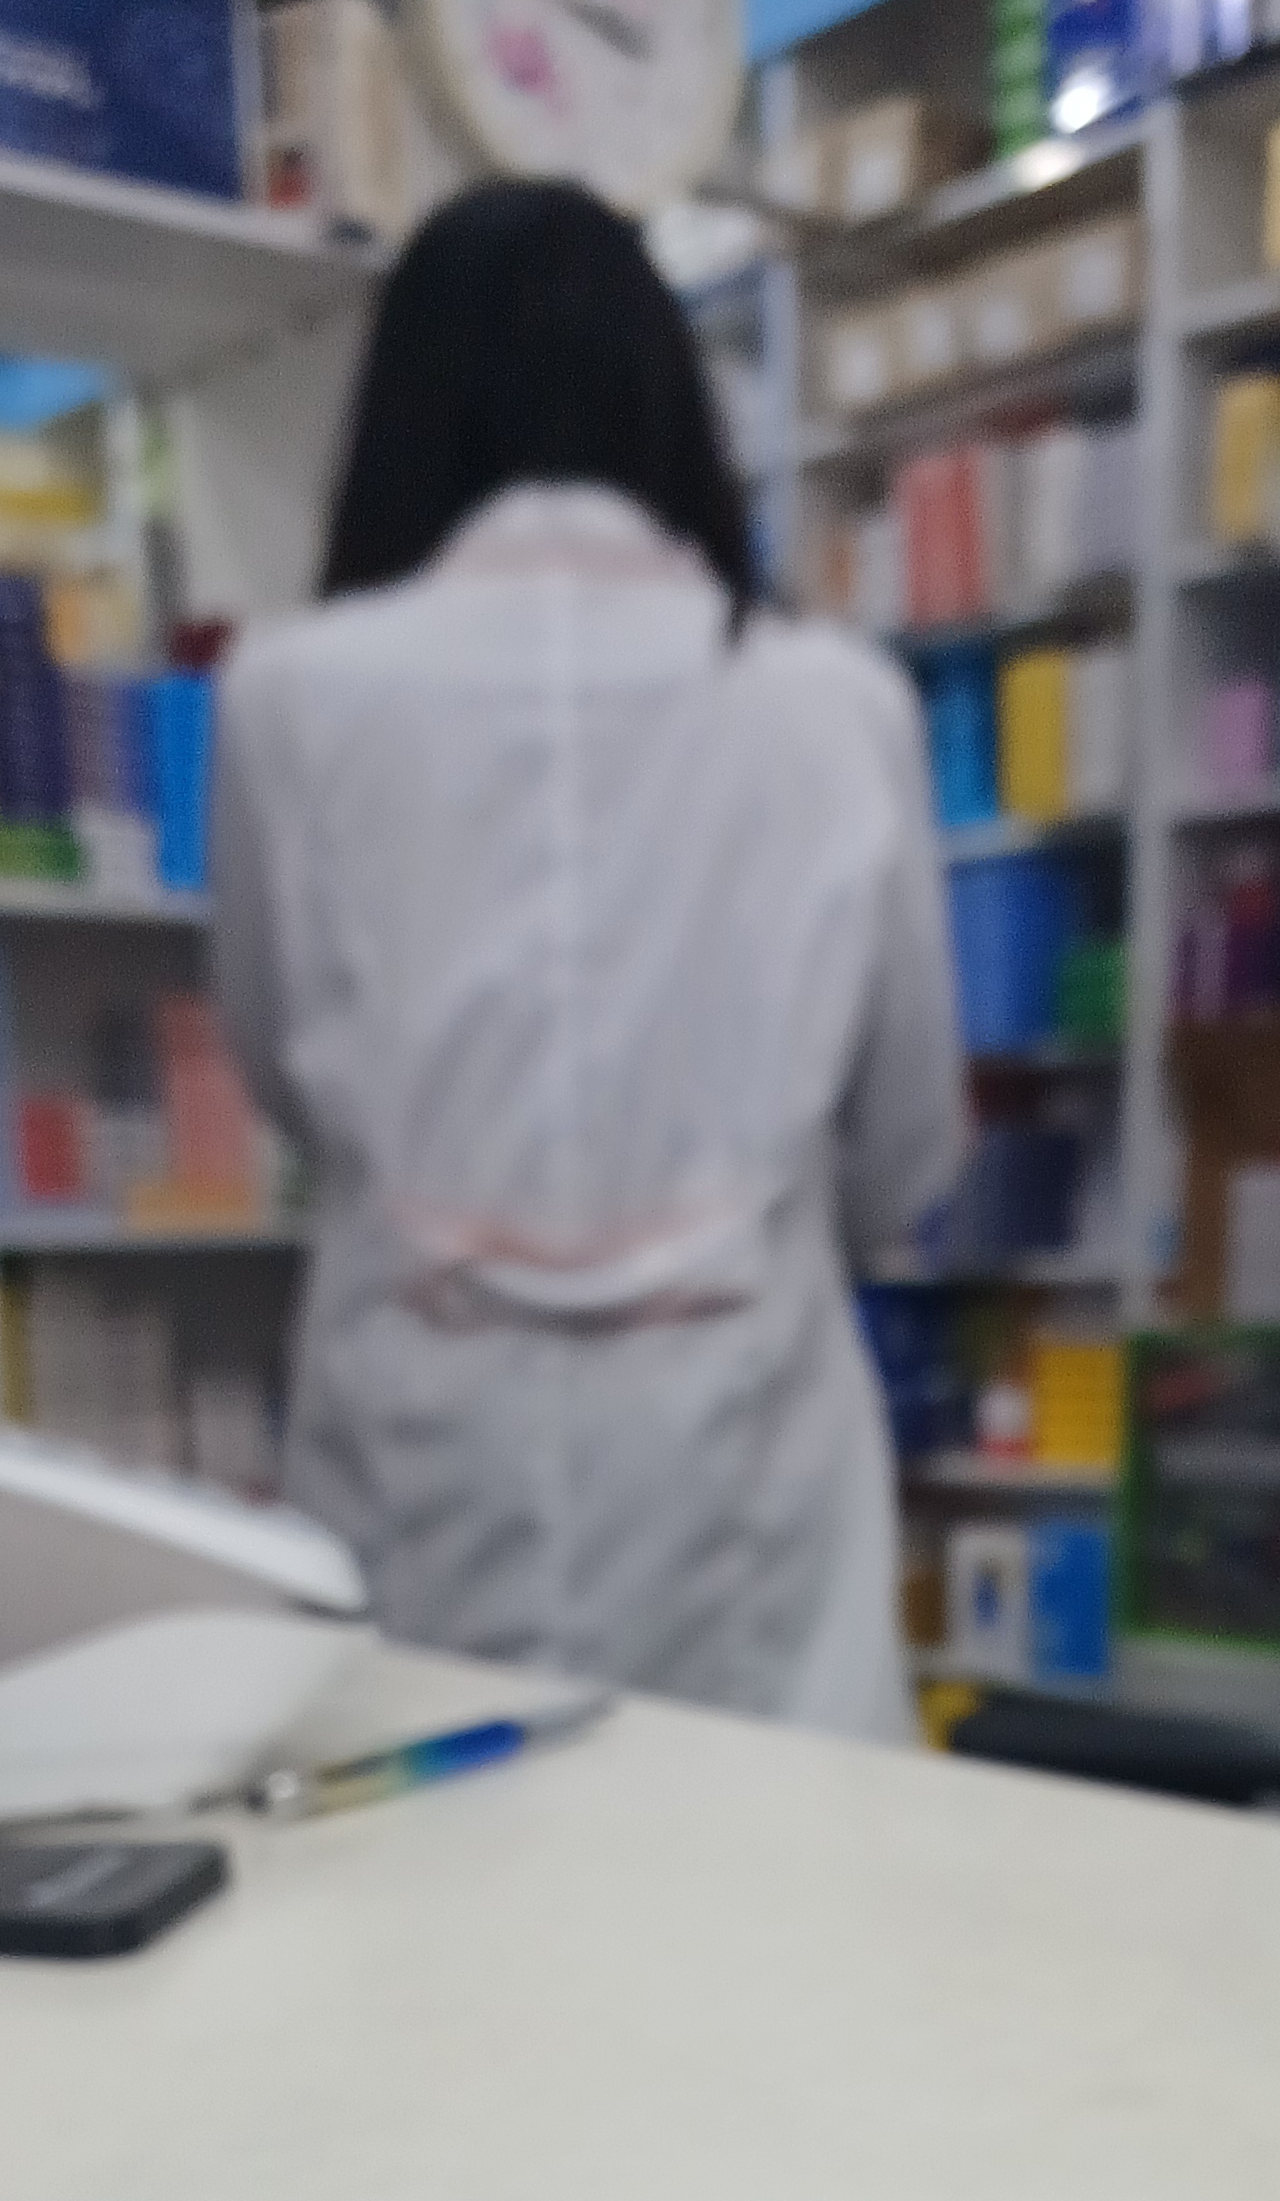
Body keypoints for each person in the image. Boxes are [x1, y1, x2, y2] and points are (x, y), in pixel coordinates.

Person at [211, 180, 967, 1741]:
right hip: (752, 1459)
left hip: (417, 1444)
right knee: (759, 1866)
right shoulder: (836, 706)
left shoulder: (288, 696)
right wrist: (729, 1232)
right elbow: (908, 1141)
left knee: (430, 1856)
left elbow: (280, 1066)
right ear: (668, 400)